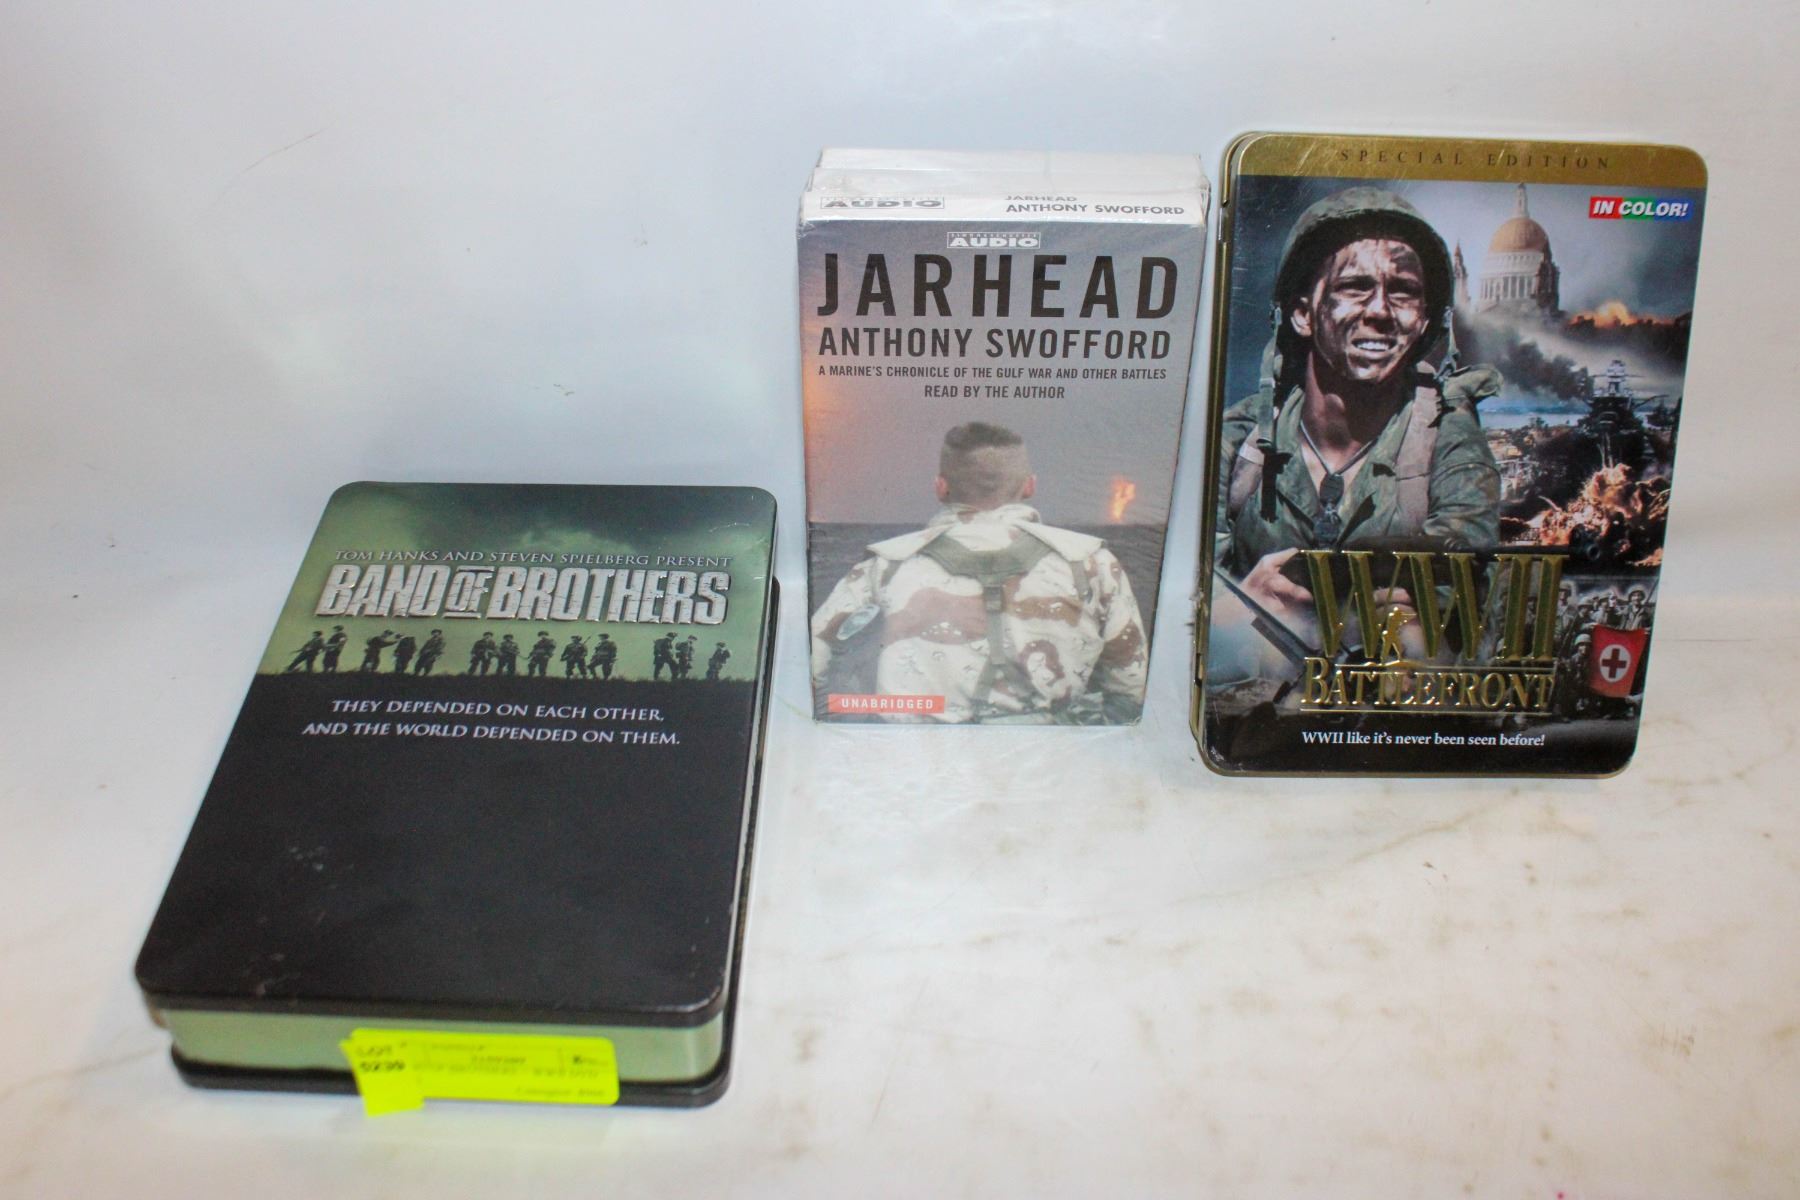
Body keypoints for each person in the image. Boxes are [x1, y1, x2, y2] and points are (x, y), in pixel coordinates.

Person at [1213, 188, 1501, 647]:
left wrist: (1412, 622)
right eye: (1354, 287)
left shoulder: (1449, 440)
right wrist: (1237, 608)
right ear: (1303, 314)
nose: (1381, 311)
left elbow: (1468, 600)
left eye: (1403, 292)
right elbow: (1179, 602)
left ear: (1425, 321)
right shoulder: (1239, 441)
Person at [809, 421, 1149, 724]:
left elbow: (812, 669)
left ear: (940, 487)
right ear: (1029, 486)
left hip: (913, 764)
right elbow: (1131, 692)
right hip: (1051, 763)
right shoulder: (1092, 564)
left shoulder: (884, 566)